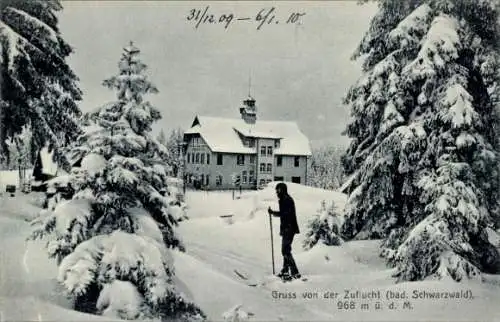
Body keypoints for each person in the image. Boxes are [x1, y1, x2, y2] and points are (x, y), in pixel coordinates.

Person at [268, 182, 301, 279]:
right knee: (285, 250)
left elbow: (285, 214)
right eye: (276, 190)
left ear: (282, 190)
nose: (276, 192)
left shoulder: (287, 200)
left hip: (289, 228)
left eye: (278, 190)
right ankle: (285, 270)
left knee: (285, 250)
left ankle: (295, 272)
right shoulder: (284, 199)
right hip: (287, 228)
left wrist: (273, 213)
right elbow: (284, 214)